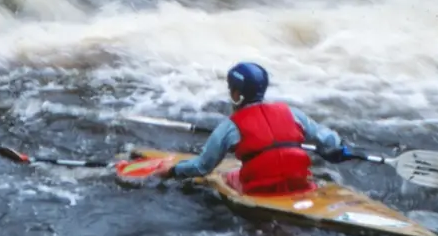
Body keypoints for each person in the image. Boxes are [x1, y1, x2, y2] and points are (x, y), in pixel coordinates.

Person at [148, 62, 354, 195]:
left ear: (236, 94)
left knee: (221, 176)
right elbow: (328, 139)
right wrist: (337, 149)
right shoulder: (292, 113)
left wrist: (173, 170)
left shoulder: (229, 127)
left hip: (260, 191)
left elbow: (202, 167)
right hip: (301, 184)